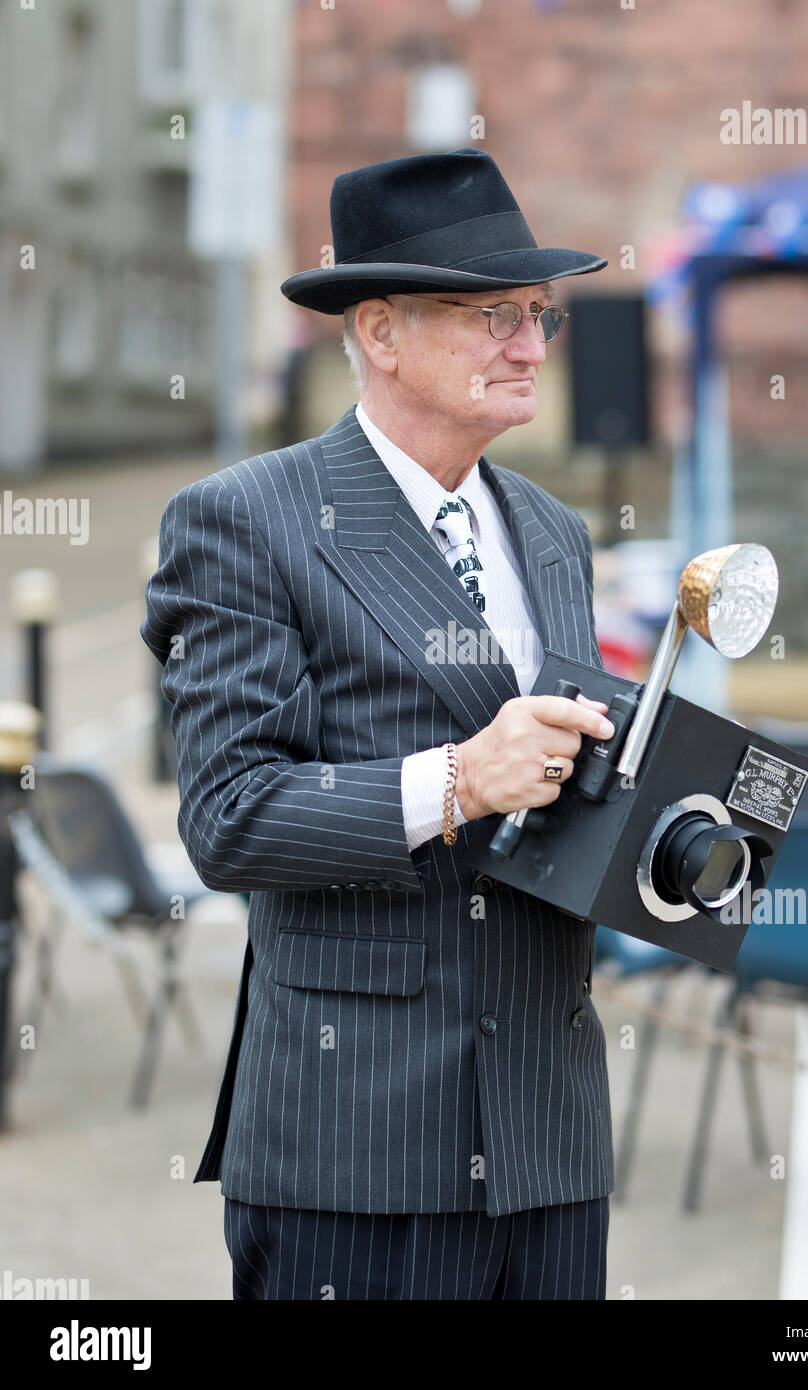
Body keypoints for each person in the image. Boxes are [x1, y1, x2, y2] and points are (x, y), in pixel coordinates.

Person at [141, 146, 616, 1301]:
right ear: (381, 332)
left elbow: (554, 795)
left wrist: (681, 837)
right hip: (355, 1149)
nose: (529, 345)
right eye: (489, 314)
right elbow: (229, 818)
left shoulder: (553, 530)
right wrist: (458, 778)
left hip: (549, 1141)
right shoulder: (244, 520)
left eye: (538, 313)